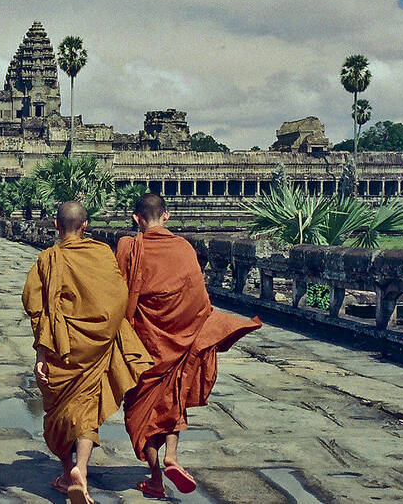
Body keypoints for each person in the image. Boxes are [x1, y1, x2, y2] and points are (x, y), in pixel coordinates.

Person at [115, 193, 262, 498]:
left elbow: (118, 294)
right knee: (173, 401)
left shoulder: (129, 248)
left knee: (141, 413)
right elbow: (199, 301)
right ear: (166, 216)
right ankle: (172, 456)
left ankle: (155, 479)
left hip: (144, 346)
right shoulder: (183, 248)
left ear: (136, 219)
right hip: (180, 342)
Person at [22, 201, 153, 504]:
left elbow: (37, 308)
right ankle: (81, 469)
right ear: (85, 227)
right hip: (94, 347)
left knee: (59, 412)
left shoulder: (47, 259)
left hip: (61, 347)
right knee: (86, 409)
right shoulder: (101, 253)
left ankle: (68, 473)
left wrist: (41, 352)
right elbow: (118, 297)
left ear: (56, 226)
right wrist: (107, 333)